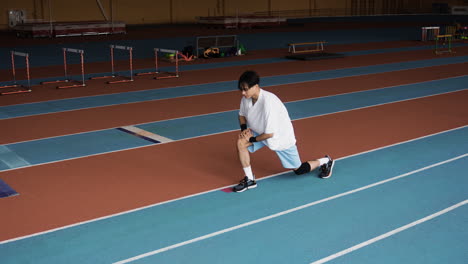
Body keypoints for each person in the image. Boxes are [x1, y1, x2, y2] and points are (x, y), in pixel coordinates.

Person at [233, 70, 334, 193]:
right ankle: (250, 179)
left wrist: (251, 139)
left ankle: (326, 161)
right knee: (241, 142)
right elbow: (242, 115)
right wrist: (244, 131)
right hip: (260, 132)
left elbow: (269, 134)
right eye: (241, 90)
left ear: (256, 86)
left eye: (245, 89)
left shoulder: (269, 102)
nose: (243, 93)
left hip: (280, 138)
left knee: (298, 170)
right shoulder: (246, 98)